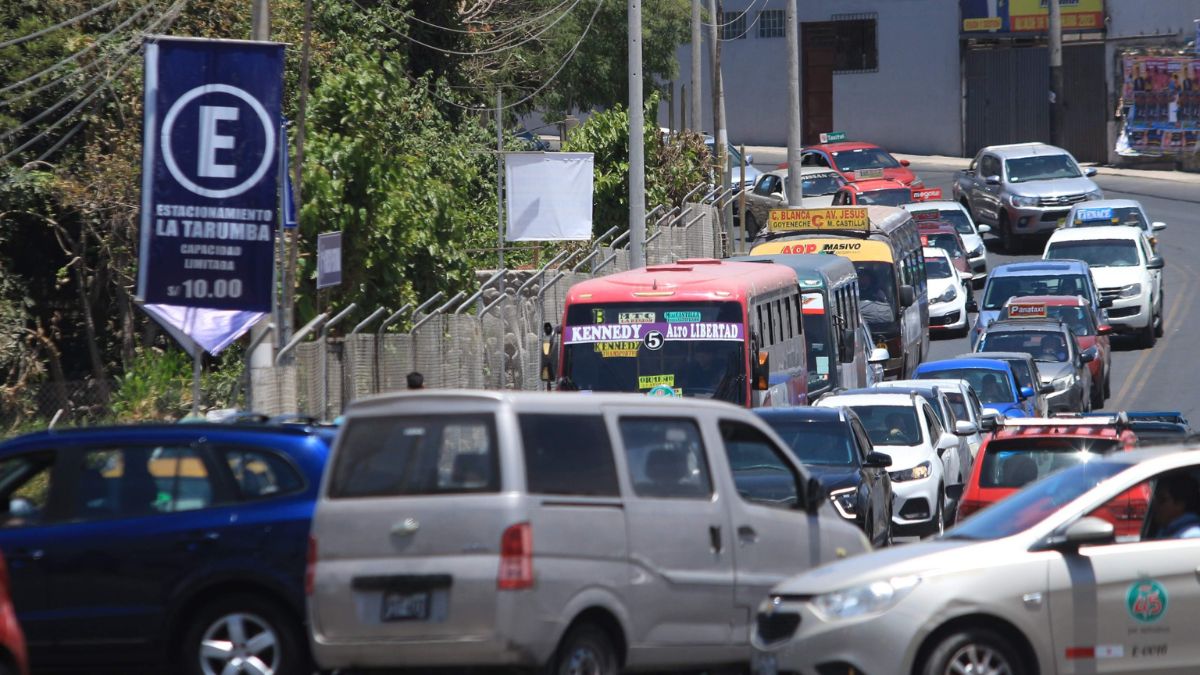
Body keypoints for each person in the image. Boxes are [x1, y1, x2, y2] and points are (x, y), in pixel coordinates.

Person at [1151, 473, 1200, 539]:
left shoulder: (1191, 536)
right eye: (1155, 499)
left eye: (1162, 500)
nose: (1155, 505)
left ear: (1180, 504)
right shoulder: (1166, 530)